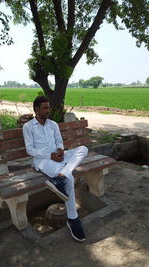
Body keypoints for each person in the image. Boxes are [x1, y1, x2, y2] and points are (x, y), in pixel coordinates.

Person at [23, 96, 88, 242]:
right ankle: (73, 219)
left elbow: (59, 141)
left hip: (58, 158)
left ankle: (61, 175)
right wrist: (49, 155)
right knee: (70, 178)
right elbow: (30, 150)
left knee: (83, 149)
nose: (48, 110)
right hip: (42, 161)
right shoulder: (28, 127)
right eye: (45, 108)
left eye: (48, 107)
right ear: (36, 109)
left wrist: (60, 150)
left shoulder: (53, 124)